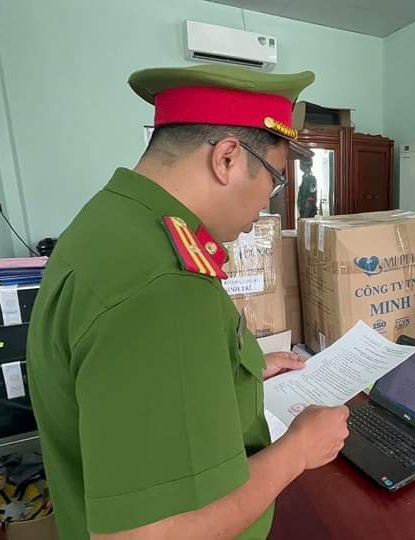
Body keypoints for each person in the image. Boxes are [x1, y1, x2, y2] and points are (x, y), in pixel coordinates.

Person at [26, 64, 350, 539]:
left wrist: (231, 373)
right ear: (227, 159)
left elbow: (118, 380)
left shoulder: (112, 221)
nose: (268, 200)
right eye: (274, 179)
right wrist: (300, 449)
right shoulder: (165, 283)